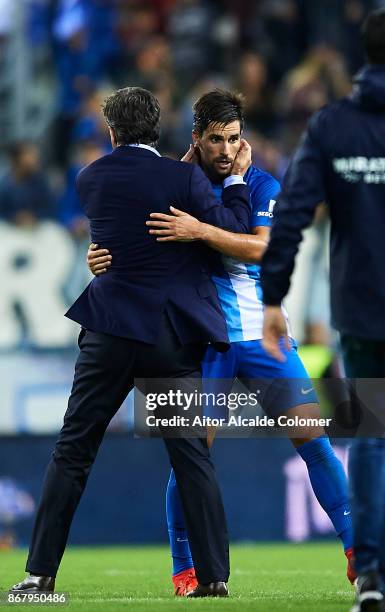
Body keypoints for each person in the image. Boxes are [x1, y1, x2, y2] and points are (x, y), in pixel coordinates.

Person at [88, 89, 354, 597]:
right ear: (197, 138)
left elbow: (263, 248)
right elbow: (128, 236)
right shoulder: (175, 184)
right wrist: (98, 257)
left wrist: (199, 231)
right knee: (191, 456)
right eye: (215, 139)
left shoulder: (259, 184)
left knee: (314, 443)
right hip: (203, 341)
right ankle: (185, 569)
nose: (226, 149)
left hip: (260, 339)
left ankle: (356, 555)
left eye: (234, 138)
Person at [10, 86, 253, 598]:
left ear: (112, 133)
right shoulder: (183, 177)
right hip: (168, 334)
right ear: (158, 127)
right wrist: (232, 180)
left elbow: (112, 242)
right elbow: (231, 228)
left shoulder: (90, 178)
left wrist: (99, 257)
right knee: (190, 456)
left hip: (110, 332)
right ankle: (213, 578)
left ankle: (39, 575)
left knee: (74, 449)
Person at [259, 9, 385, 612]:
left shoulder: (332, 127)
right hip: (361, 310)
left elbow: (290, 216)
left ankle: (373, 573)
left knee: (372, 437)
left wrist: (272, 297)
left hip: (362, 308)